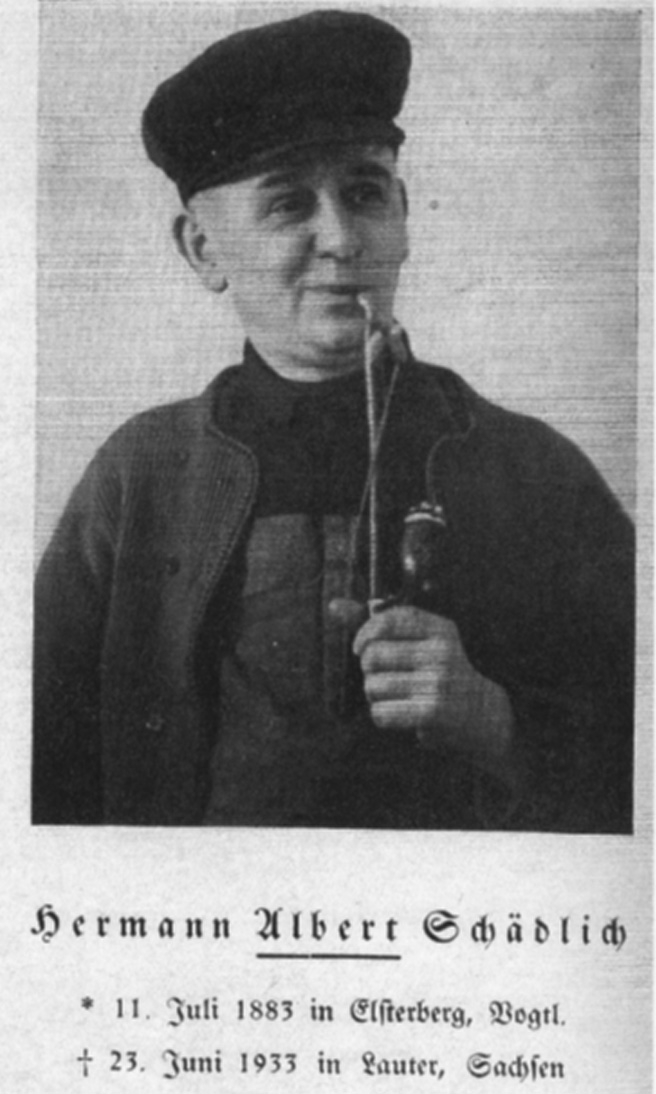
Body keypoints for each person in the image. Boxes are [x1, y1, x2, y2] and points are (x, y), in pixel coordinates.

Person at [33, 9, 634, 831]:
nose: (343, 239)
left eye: (364, 193)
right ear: (203, 250)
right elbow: (39, 776)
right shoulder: (139, 476)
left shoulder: (534, 472)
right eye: (288, 205)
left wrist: (496, 720)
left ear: (404, 215)